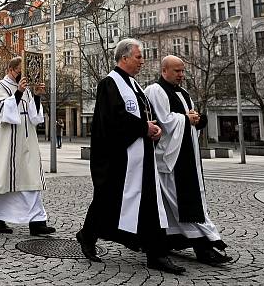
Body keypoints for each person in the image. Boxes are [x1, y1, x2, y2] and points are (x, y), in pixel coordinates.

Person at [77, 38, 184, 275]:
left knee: (148, 203)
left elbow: (143, 117)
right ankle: (87, 235)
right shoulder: (109, 84)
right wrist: (142, 128)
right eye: (139, 56)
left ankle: (156, 253)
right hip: (118, 158)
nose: (142, 61)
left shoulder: (135, 86)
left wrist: (152, 129)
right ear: (124, 58)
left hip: (140, 156)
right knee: (107, 200)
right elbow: (111, 120)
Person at [144, 56, 231, 265]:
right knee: (179, 203)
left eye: (183, 71)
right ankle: (204, 247)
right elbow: (165, 121)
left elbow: (188, 118)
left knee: (179, 203)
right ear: (164, 70)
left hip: (187, 156)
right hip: (169, 159)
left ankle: (169, 240)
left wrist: (196, 119)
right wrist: (186, 118)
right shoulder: (155, 90)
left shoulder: (183, 93)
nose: (181, 75)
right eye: (177, 71)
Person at [0, 57, 54, 236]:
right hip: (5, 141)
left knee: (32, 178)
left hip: (26, 138)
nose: (23, 77)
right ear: (11, 70)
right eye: (20, 72)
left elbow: (35, 116)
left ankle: (37, 221)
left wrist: (36, 95)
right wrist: (17, 93)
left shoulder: (27, 90)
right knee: (3, 180)